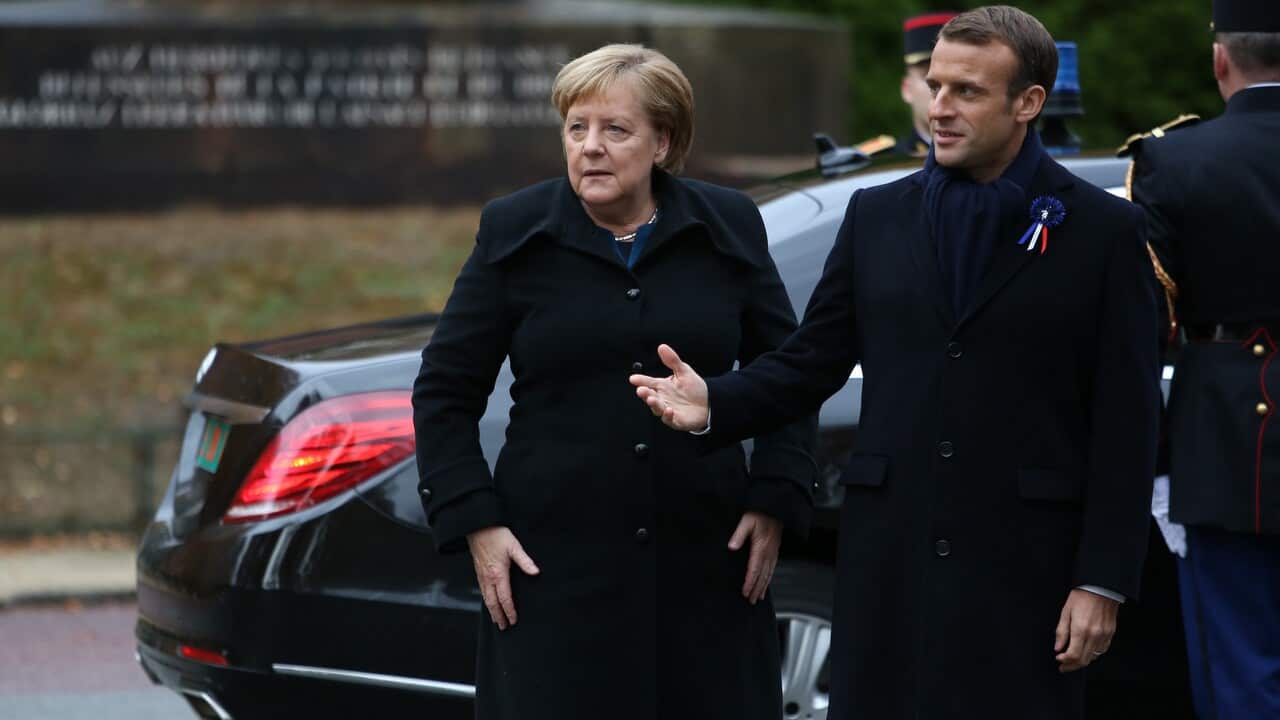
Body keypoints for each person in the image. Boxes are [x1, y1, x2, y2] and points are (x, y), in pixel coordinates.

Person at [631, 7, 1160, 719]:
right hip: (890, 559)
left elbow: (1129, 421)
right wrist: (716, 403)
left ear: (1027, 102)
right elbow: (811, 361)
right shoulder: (875, 216)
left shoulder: (1105, 231)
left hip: (1028, 570)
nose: (939, 108)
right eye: (935, 86)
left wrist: (1102, 581)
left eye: (966, 92)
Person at [411, 43, 816, 720]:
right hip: (552, 568)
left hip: (706, 562)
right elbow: (444, 391)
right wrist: (476, 522)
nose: (590, 148)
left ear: (663, 141)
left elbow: (791, 373)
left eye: (615, 130)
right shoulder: (515, 232)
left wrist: (777, 492)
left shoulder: (727, 226)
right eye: (577, 128)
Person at [1126, 1, 1280, 717]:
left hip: (1227, 444)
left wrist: (1155, 461)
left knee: (1241, 670)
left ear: (1222, 60)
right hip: (1224, 443)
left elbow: (1141, 329)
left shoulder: (1173, 158)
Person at [855, 12, 959, 159]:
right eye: (931, 80)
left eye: (959, 81)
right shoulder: (878, 163)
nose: (944, 92)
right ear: (907, 89)